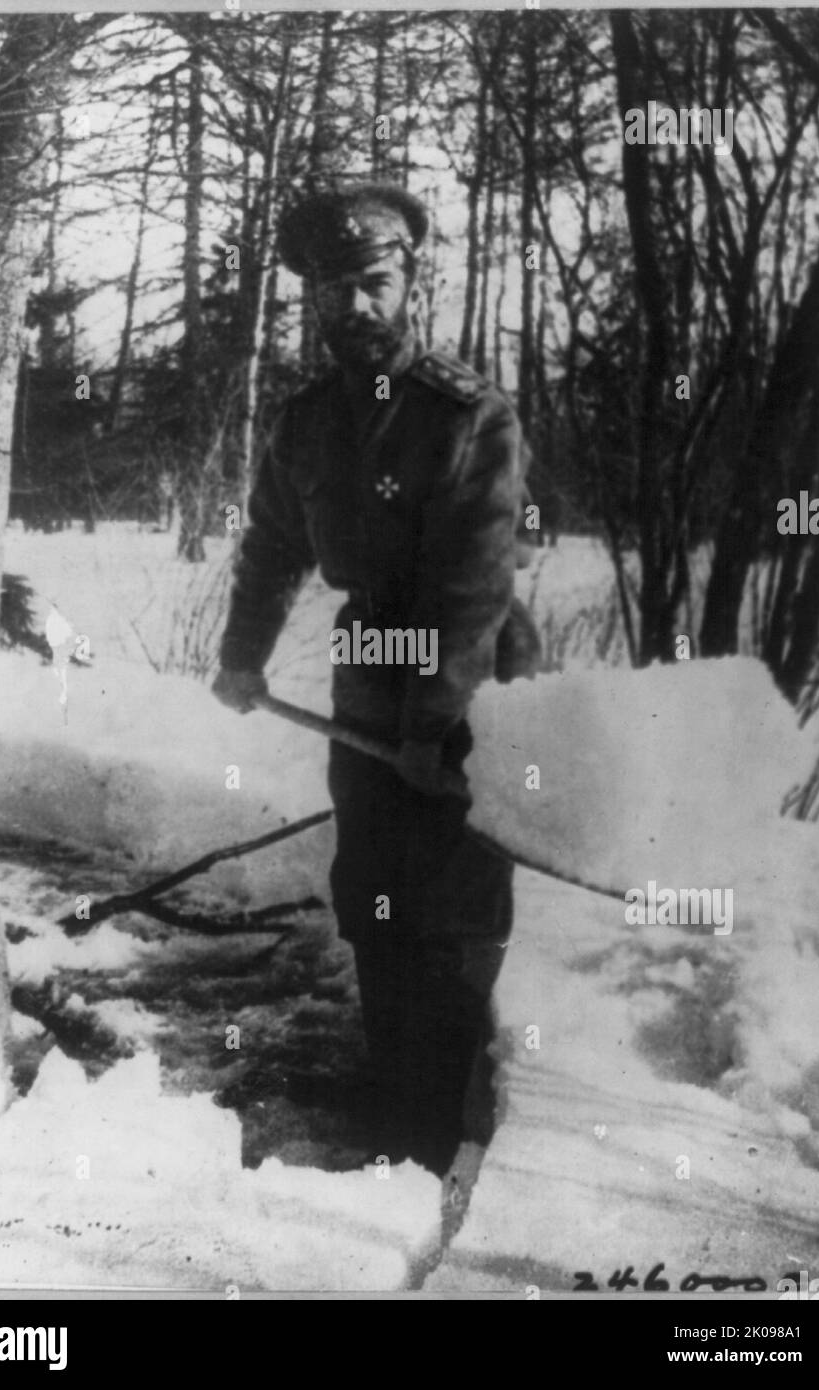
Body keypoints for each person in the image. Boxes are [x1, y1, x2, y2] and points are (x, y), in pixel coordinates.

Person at [213, 183, 537, 1175]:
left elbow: (471, 587)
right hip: (368, 671)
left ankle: (447, 1122)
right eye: (332, 292)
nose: (354, 307)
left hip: (472, 681)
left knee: (449, 902)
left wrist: (431, 728)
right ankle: (393, 1086)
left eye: (375, 284)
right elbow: (269, 545)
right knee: (374, 888)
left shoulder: (471, 417)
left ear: (411, 285)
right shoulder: (307, 422)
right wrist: (243, 653)